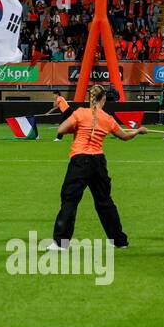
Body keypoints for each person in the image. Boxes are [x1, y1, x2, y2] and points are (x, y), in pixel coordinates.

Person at [49, 84, 146, 250]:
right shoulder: (107, 118)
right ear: (104, 99)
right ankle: (119, 241)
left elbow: (61, 129)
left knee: (70, 201)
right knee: (104, 201)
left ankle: (61, 243)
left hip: (79, 161)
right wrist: (138, 131)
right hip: (98, 162)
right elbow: (124, 136)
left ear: (90, 98)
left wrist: (78, 129)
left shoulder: (80, 113)